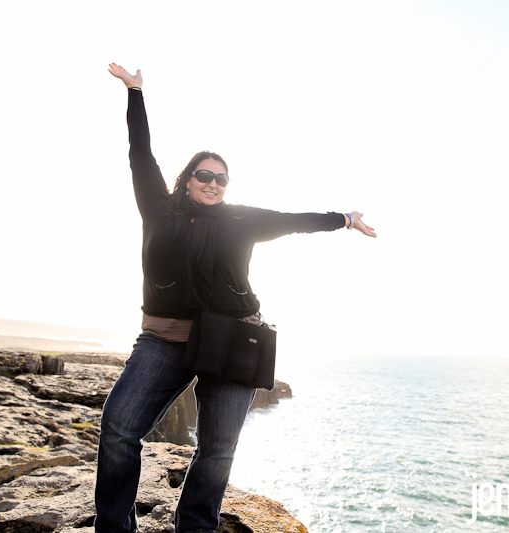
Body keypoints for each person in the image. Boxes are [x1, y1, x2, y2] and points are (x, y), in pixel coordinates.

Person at [96, 62, 377, 533]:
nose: (213, 183)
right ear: (188, 178)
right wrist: (135, 92)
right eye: (204, 174)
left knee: (218, 448)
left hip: (233, 339)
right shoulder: (158, 208)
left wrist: (344, 219)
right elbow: (139, 152)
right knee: (119, 429)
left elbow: (294, 220)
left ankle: (196, 527)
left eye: (222, 178)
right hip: (164, 339)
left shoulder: (242, 219)